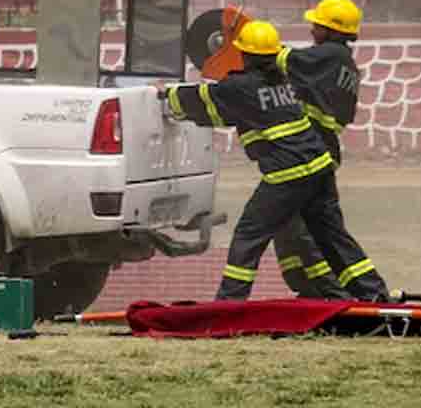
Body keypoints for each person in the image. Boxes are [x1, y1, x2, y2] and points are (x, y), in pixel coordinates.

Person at [162, 20, 390, 302]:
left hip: (288, 174)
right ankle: (375, 295)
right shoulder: (284, 81)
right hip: (320, 166)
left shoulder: (240, 87)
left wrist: (164, 94)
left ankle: (230, 303)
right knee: (332, 237)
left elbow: (201, 100)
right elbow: (229, 110)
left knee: (249, 235)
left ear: (244, 54)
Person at [270, 0, 364, 299]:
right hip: (319, 148)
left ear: (331, 30)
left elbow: (288, 60)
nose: (311, 29)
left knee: (301, 226)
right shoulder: (341, 63)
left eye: (317, 25)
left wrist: (252, 43)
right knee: (295, 225)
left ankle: (331, 292)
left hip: (311, 151)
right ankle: (313, 288)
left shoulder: (330, 56)